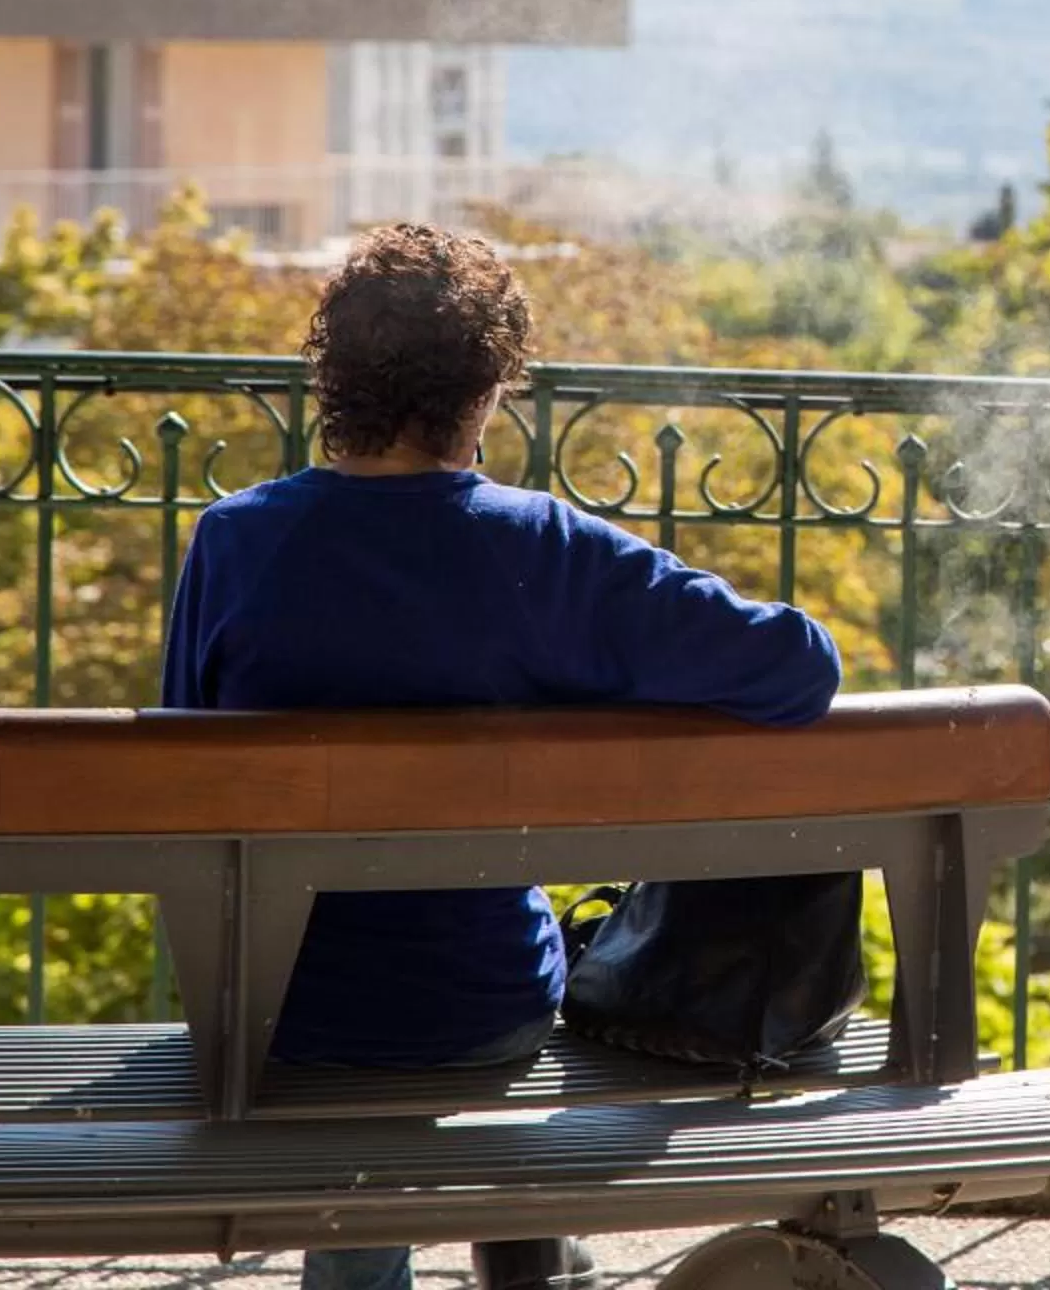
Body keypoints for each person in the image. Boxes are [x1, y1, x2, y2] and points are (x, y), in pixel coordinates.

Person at [163, 224, 843, 1290]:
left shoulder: (235, 542)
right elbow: (798, 666)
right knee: (461, 1021)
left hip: (275, 1014)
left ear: (332, 381)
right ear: (484, 393)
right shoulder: (544, 548)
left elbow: (185, 783)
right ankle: (535, 1259)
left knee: (355, 1078)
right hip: (480, 1007)